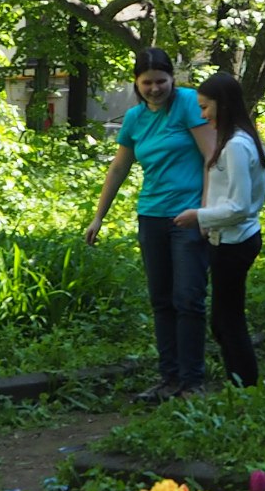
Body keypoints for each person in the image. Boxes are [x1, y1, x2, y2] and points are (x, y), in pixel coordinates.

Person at [86, 47, 215, 401]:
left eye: (161, 81)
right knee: (161, 300)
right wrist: (99, 216)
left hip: (188, 216)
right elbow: (119, 168)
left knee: (188, 298)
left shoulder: (190, 103)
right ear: (136, 82)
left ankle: (193, 381)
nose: (155, 88)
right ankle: (168, 378)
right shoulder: (134, 119)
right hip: (152, 216)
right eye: (147, 82)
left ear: (173, 79)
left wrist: (206, 211)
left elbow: (211, 156)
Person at [175, 72, 265, 388]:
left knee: (228, 321)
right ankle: (240, 383)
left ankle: (246, 387)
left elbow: (240, 205)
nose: (202, 115)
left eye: (205, 107)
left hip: (235, 241)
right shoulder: (236, 140)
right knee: (223, 320)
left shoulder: (236, 146)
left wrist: (199, 216)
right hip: (228, 238)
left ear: (223, 104)